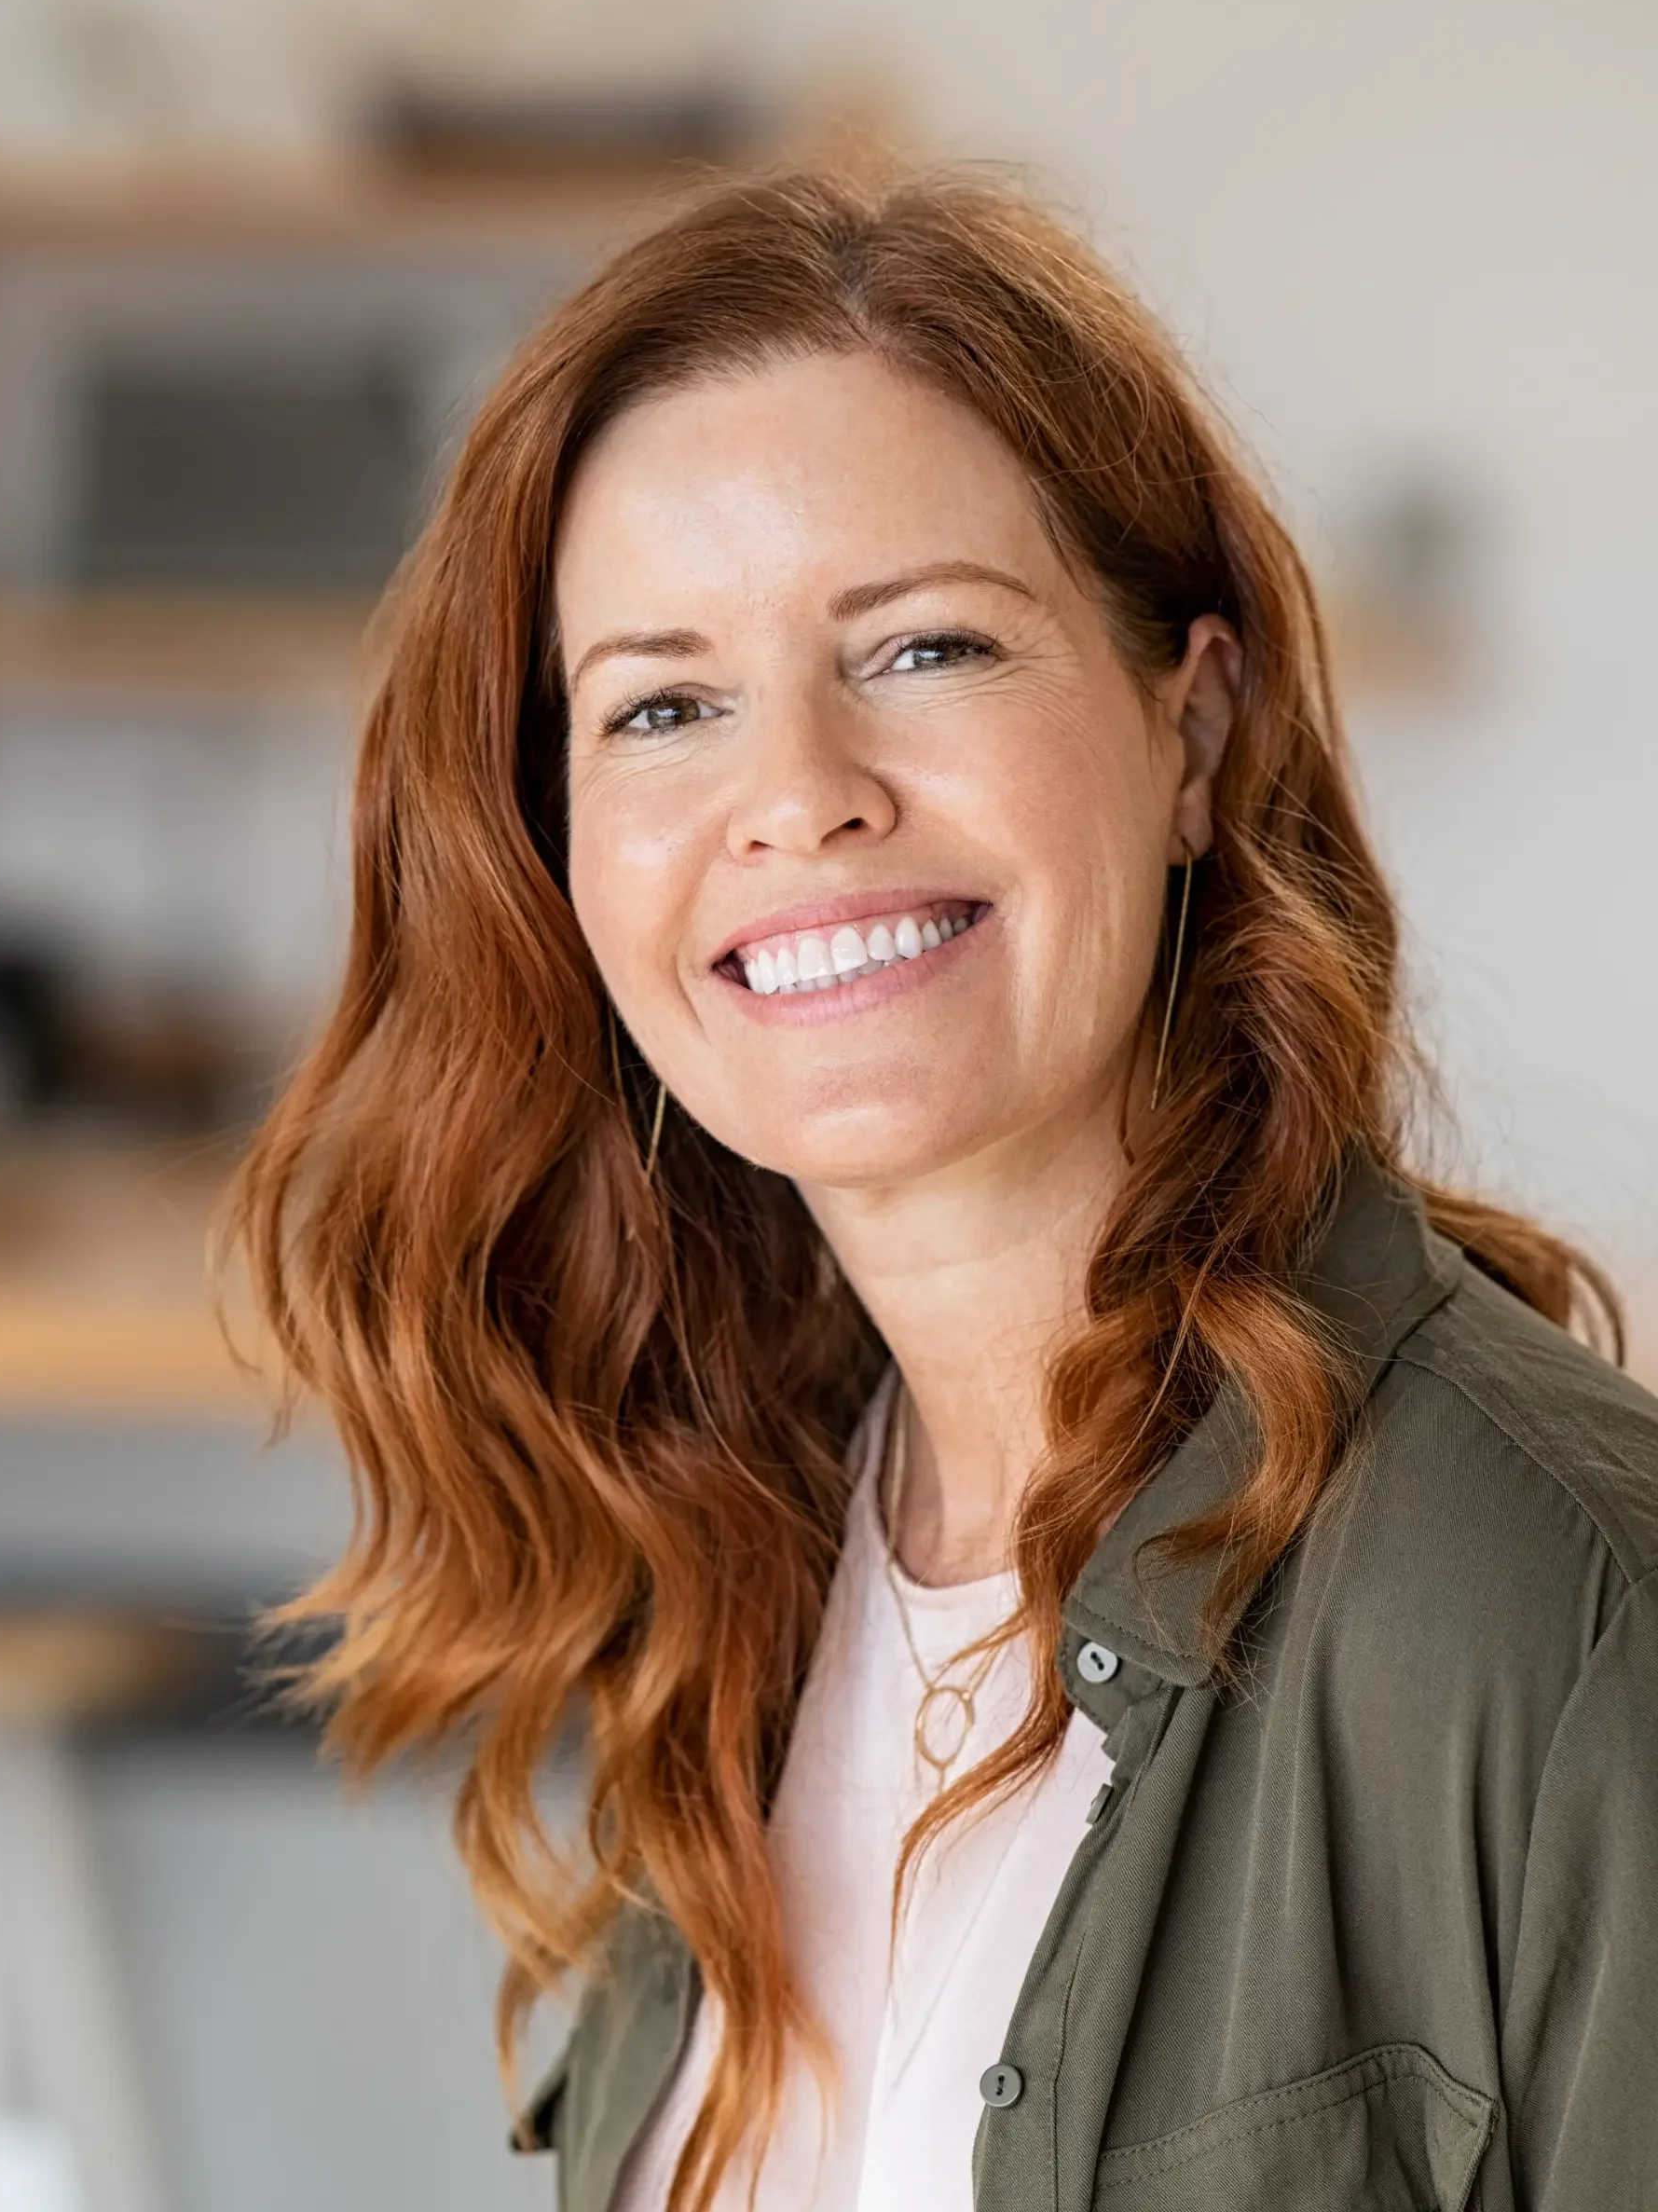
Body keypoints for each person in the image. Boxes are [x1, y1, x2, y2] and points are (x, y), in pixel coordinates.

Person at [233, 168, 1658, 2212]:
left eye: (921, 650)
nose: (797, 791)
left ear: (1192, 727)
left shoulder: (1560, 1619)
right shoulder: (728, 1557)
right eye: (663, 704)